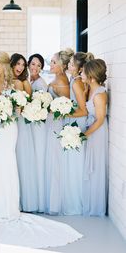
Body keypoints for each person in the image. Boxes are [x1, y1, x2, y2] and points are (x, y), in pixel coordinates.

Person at [0, 52, 82, 249]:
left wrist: (13, 109)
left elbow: (24, 107)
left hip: (9, 129)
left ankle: (9, 207)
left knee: (8, 162)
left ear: (4, 65)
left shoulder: (17, 84)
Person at [63, 52, 94, 215]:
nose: (68, 65)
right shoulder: (74, 80)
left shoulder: (76, 83)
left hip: (77, 124)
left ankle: (77, 202)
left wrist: (63, 113)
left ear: (80, 68)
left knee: (75, 164)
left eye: (72, 64)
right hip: (73, 122)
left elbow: (83, 111)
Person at [45, 48, 74, 215]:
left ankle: (56, 203)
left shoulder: (61, 81)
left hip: (56, 125)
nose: (51, 64)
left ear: (63, 66)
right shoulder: (57, 78)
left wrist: (46, 109)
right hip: (51, 123)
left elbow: (66, 107)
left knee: (55, 161)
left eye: (54, 62)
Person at [11, 53, 38, 212]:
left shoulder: (25, 82)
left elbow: (31, 103)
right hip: (8, 124)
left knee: (22, 157)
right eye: (18, 64)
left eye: (23, 65)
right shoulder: (6, 82)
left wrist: (22, 107)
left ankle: (25, 200)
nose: (20, 68)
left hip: (21, 123)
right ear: (12, 64)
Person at [81, 59, 108, 216]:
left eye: (84, 72)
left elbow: (100, 119)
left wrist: (85, 135)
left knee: (96, 166)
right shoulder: (91, 89)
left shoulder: (99, 94)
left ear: (91, 75)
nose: (81, 74)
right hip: (91, 130)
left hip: (97, 133)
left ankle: (96, 207)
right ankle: (89, 201)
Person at [28, 53, 48, 212]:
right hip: (28, 124)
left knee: (38, 158)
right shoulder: (28, 80)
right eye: (33, 64)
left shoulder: (41, 83)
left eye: (39, 66)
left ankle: (40, 200)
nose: (35, 68)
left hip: (38, 124)